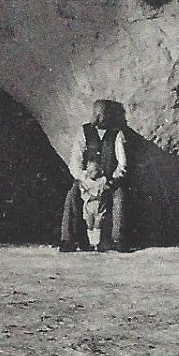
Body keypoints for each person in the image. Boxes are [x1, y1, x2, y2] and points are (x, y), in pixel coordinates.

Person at [59, 98, 131, 252]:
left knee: (119, 195)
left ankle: (117, 239)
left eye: (102, 114)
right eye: (96, 114)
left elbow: (122, 163)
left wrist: (112, 180)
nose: (98, 117)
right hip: (86, 180)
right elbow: (75, 161)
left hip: (108, 181)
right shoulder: (84, 131)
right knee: (72, 195)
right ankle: (68, 239)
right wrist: (84, 180)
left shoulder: (117, 134)